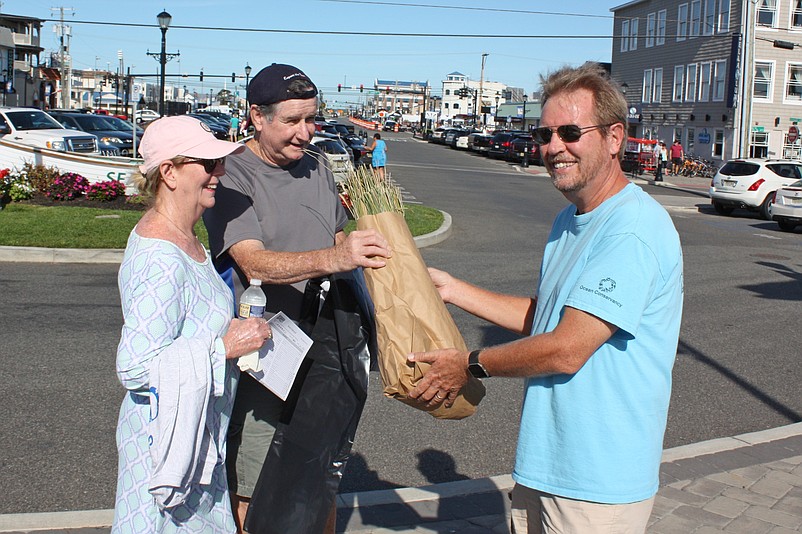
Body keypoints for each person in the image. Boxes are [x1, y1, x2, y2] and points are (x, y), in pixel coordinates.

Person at [408, 63, 683, 533]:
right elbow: (550, 319)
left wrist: (469, 364)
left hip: (597, 484)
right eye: (545, 134)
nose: (554, 147)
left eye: (571, 132)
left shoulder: (632, 229)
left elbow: (567, 348)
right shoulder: (569, 220)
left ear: (615, 138)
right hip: (547, 466)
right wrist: (454, 290)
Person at [202, 63, 391, 533]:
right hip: (266, 354)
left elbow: (341, 236)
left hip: (325, 346)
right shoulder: (232, 174)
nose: (306, 132)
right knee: (257, 479)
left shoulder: (318, 166)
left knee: (318, 476)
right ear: (256, 117)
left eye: (312, 119)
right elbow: (255, 263)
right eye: (292, 121)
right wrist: (335, 256)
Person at [112, 115, 273, 532]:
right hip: (166, 447)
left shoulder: (186, 236)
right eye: (208, 163)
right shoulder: (160, 258)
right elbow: (134, 367)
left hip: (197, 437)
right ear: (169, 172)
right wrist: (224, 347)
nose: (220, 171)